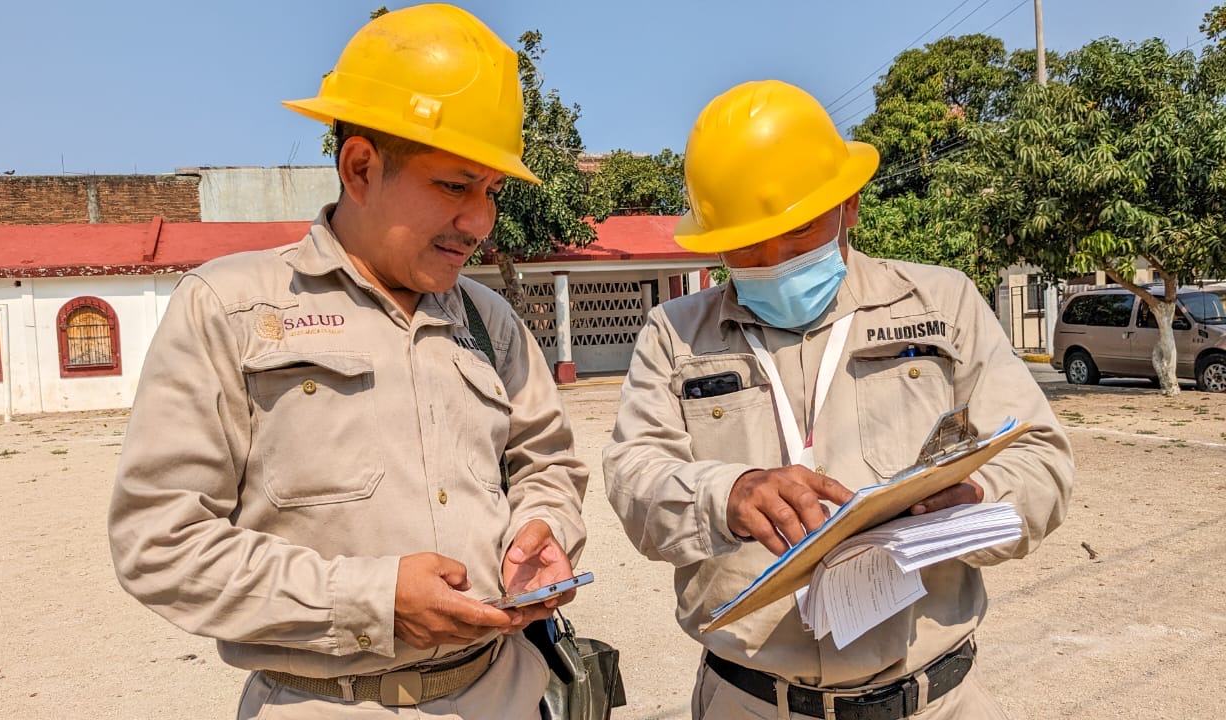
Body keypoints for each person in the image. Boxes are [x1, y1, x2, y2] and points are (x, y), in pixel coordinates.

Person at [108, 5, 588, 719]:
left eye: (491, 191)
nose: (479, 222)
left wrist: (542, 530)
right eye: (454, 185)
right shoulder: (231, 308)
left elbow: (546, 467)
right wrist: (372, 601)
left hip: (506, 693)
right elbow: (159, 543)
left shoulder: (491, 324)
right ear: (360, 167)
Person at [603, 79, 1073, 720]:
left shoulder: (942, 304)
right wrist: (729, 493)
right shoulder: (675, 333)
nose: (771, 259)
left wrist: (976, 501)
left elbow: (1040, 455)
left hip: (933, 700)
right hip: (751, 701)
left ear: (849, 204)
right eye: (745, 242)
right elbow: (635, 480)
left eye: (796, 231)